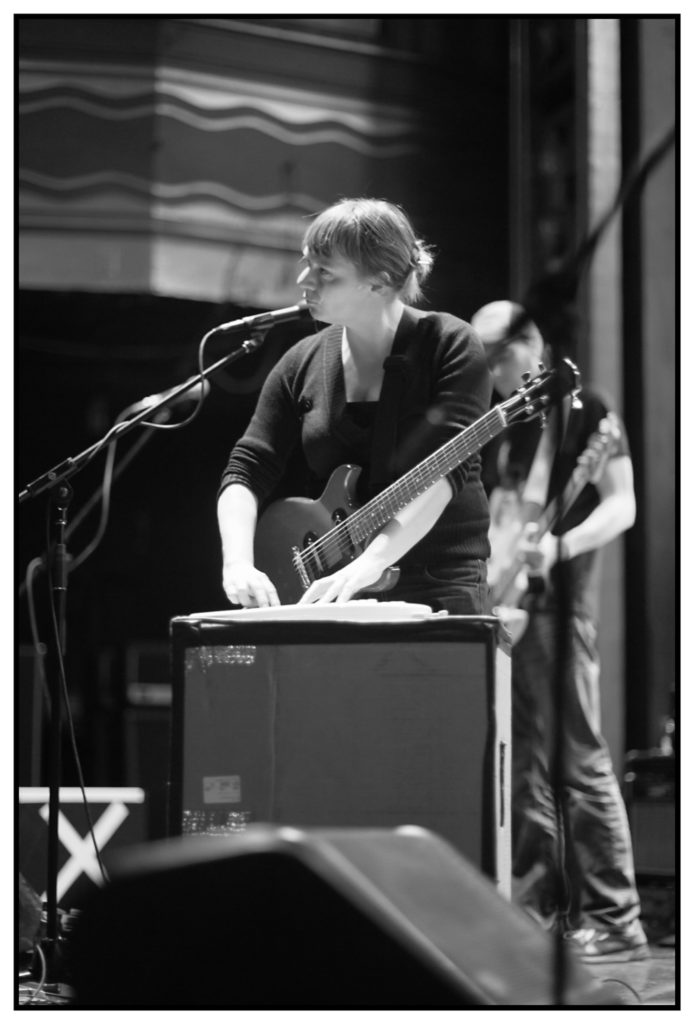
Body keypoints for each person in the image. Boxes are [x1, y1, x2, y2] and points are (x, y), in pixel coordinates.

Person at [471, 299, 648, 963]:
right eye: (482, 356)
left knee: (579, 761)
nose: (491, 367)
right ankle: (536, 915)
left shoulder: (585, 408)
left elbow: (623, 506)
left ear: (535, 345)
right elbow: (501, 518)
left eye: (500, 352)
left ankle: (616, 917)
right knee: (523, 770)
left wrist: (562, 548)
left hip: (557, 609)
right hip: (509, 608)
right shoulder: (506, 428)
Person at [217, 197, 492, 615]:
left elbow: (446, 472)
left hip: (441, 583)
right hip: (334, 587)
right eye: (307, 262)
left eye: (325, 272)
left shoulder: (450, 344)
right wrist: (237, 563)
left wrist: (371, 563)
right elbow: (247, 468)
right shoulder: (301, 361)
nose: (304, 280)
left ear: (379, 282)